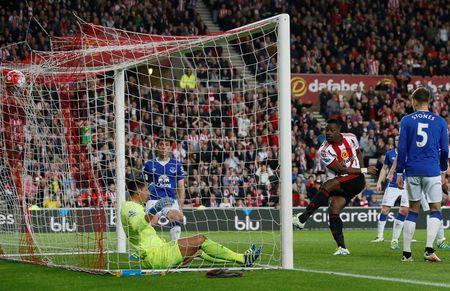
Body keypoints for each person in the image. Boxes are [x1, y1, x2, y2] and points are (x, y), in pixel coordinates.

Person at [121, 178, 262, 269]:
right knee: (201, 239)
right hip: (156, 256)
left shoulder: (137, 207)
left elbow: (142, 228)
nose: (147, 193)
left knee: (198, 250)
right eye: (145, 190)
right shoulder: (129, 208)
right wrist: (156, 208)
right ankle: (243, 259)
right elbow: (137, 225)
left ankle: (241, 259)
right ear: (138, 191)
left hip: (158, 251)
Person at [293, 119, 377, 255]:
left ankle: (302, 219)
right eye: (327, 130)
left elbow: (359, 153)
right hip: (346, 178)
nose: (328, 133)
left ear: (339, 131)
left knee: (328, 185)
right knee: (333, 209)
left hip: (357, 179)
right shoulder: (324, 151)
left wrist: (362, 170)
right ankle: (342, 248)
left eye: (332, 130)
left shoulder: (351, 137)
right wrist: (365, 170)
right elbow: (342, 169)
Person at [396, 87, 449, 262]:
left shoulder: (407, 120)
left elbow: (402, 149)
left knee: (412, 210)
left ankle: (406, 254)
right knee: (435, 210)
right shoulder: (440, 121)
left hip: (412, 170)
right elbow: (445, 150)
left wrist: (399, 172)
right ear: (428, 100)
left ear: (415, 100)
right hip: (432, 171)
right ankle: (428, 250)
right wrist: (442, 170)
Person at [143, 137, 185, 240]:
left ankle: (173, 246)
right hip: (153, 199)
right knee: (152, 221)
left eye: (167, 145)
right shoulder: (149, 164)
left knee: (176, 217)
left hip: (169, 200)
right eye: (161, 144)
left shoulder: (177, 164)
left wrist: (181, 207)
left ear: (170, 148)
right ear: (157, 147)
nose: (164, 147)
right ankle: (147, 248)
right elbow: (144, 185)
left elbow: (181, 187)